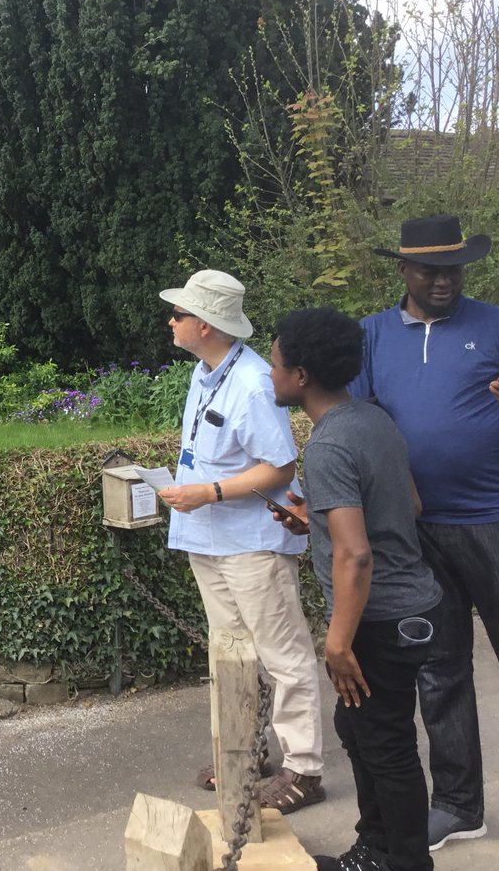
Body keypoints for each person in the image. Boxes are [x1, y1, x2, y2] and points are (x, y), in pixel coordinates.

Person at [270, 307, 442, 871]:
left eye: (275, 363)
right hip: (412, 606)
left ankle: (403, 860)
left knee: (384, 742)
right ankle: (377, 849)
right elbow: (408, 505)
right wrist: (315, 521)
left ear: (301, 377)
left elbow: (356, 554)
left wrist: (338, 643)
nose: (270, 374)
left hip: (378, 619)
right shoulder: (373, 419)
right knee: (363, 728)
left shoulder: (327, 447)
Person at [349, 214, 499, 851]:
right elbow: (356, 422)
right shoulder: (371, 337)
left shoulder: (493, 323)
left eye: (454, 268)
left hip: (491, 520)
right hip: (414, 533)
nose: (443, 280)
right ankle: (461, 805)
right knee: (439, 669)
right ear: (403, 270)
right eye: (430, 269)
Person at [157, 269, 324, 813]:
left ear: (203, 325)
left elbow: (280, 466)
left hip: (252, 543)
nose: (171, 321)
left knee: (282, 654)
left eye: (179, 314)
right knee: (231, 652)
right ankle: (245, 752)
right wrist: (194, 492)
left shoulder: (251, 382)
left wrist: (209, 491)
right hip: (210, 539)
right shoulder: (206, 374)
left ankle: (305, 767)